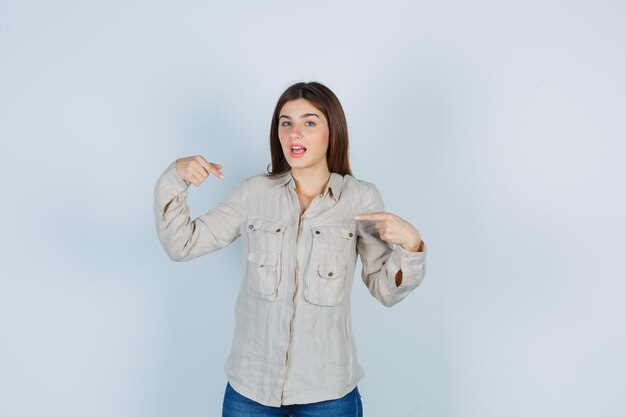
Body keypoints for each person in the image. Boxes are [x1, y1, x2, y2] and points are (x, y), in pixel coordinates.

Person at [153, 81, 427, 417]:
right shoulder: (253, 194)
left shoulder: (360, 199)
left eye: (309, 122)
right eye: (286, 122)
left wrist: (412, 246)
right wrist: (175, 177)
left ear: (332, 132)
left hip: (329, 393)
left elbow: (386, 290)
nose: (294, 133)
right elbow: (182, 244)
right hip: (250, 391)